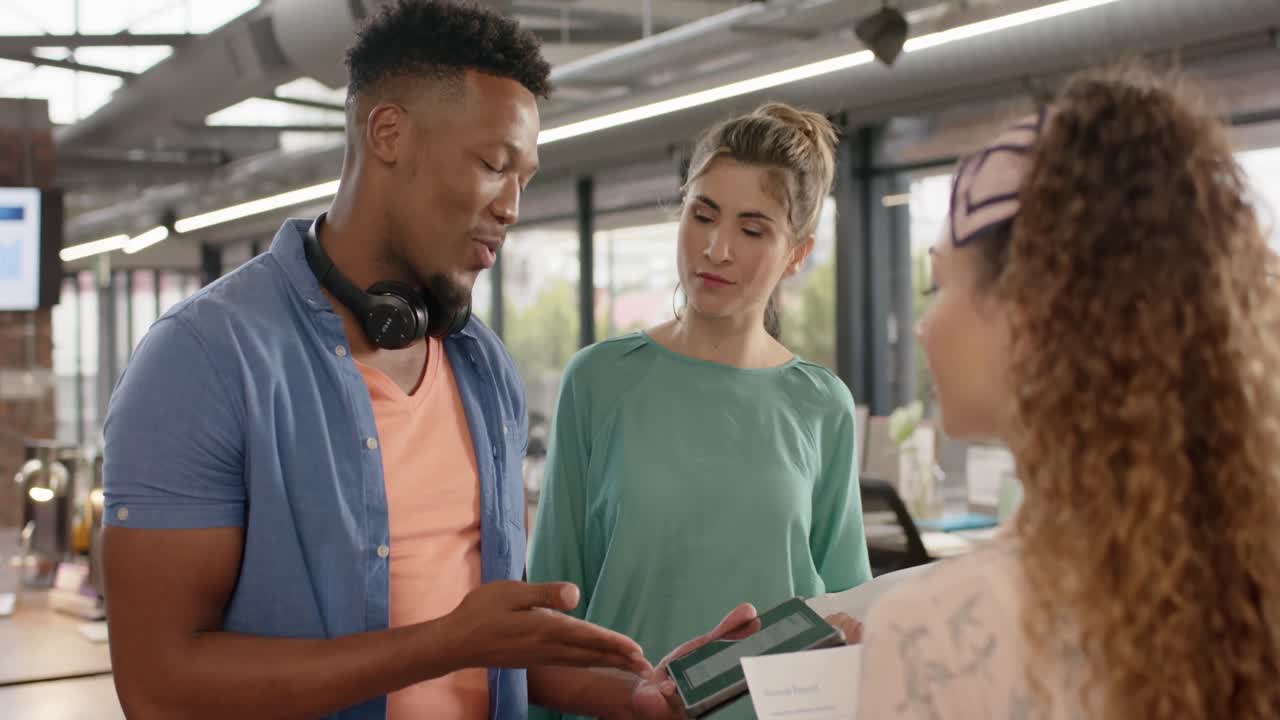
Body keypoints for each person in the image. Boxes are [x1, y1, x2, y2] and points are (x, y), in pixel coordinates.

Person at [100, 2, 750, 719]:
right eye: (494, 165)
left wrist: (635, 695)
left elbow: (496, 660)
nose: (512, 207)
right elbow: (161, 687)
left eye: (525, 178)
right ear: (388, 133)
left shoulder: (482, 365)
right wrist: (442, 643)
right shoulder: (202, 359)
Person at [855, 66, 1280, 719]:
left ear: (1032, 311)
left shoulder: (931, 634)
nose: (924, 324)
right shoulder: (1250, 576)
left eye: (939, 287)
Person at [527, 102, 874, 720]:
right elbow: (549, 622)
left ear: (797, 253)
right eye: (703, 215)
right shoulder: (600, 381)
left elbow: (845, 623)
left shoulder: (823, 406)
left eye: (753, 228)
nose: (716, 249)